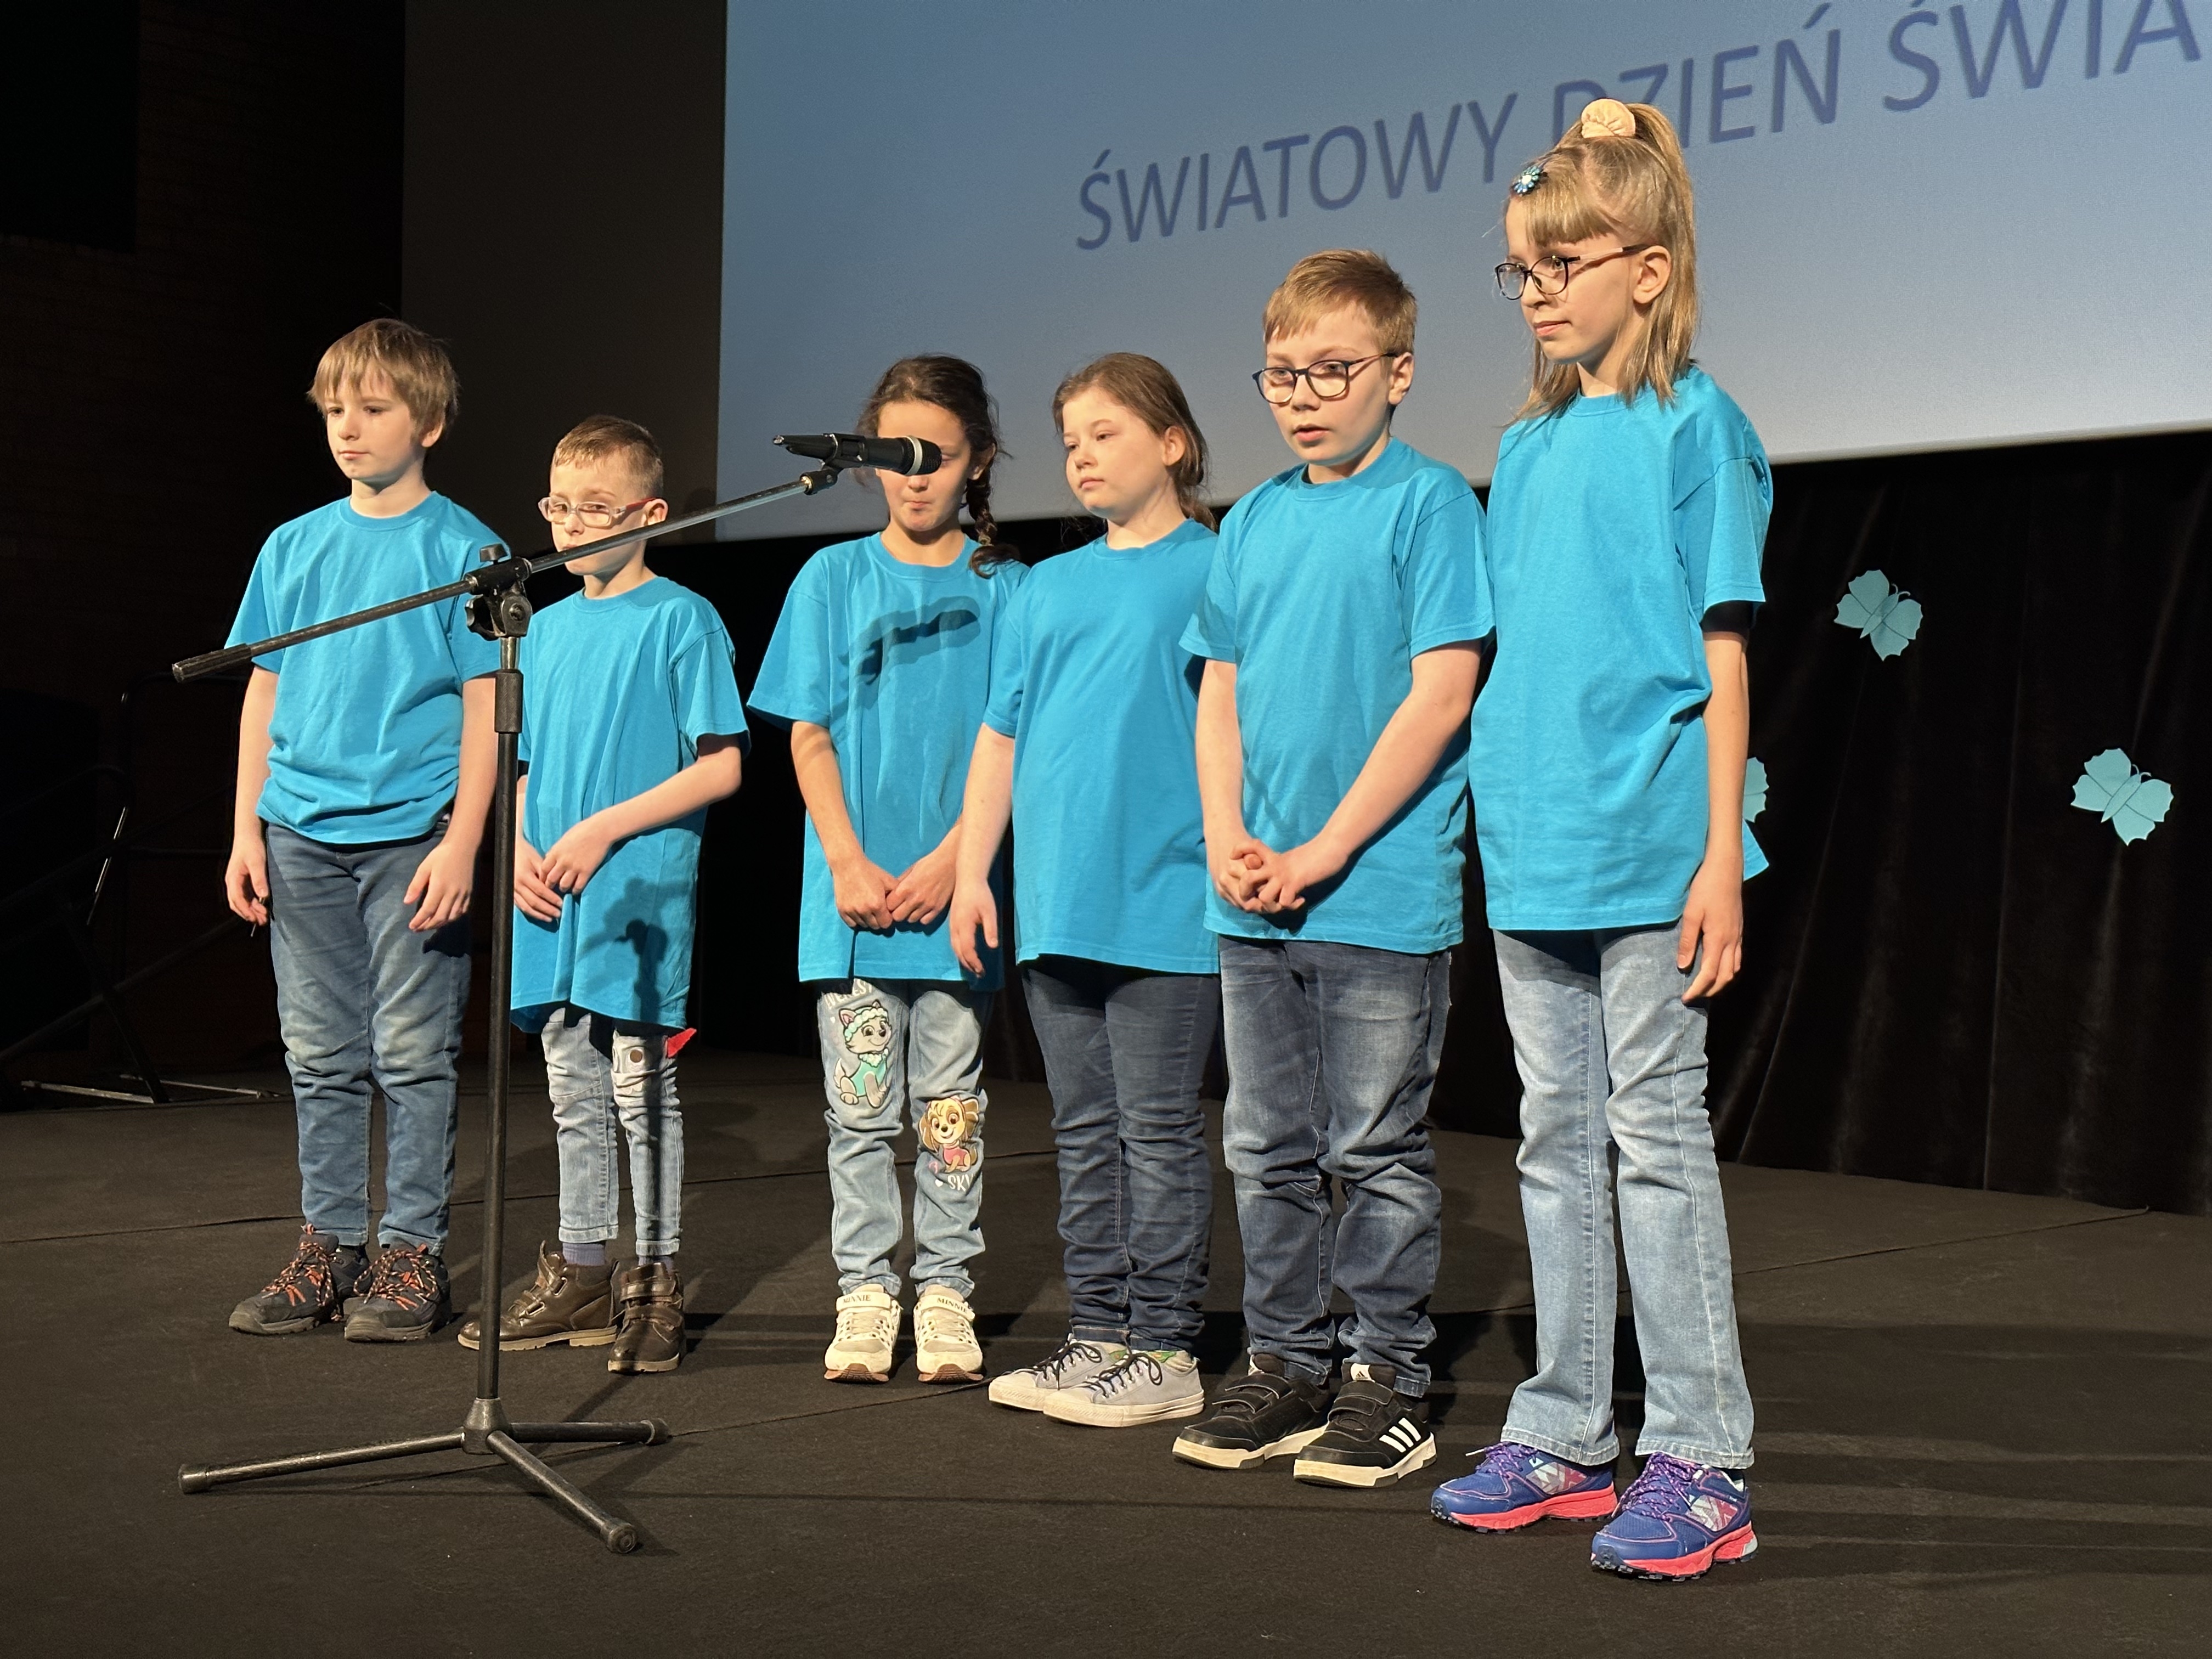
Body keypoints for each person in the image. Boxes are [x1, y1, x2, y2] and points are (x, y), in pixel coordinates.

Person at [1429, 99, 1766, 1582]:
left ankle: (1701, 1453)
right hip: (1537, 839)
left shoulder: (1701, 428)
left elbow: (1724, 651)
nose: (1539, 290)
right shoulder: (1529, 440)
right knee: (1556, 1141)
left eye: (1566, 262)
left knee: (1656, 1141)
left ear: (1649, 267)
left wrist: (1719, 857)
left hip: (1648, 840)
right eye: (1523, 268)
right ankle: (1566, 1427)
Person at [1171, 251, 1492, 1487]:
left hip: (1377, 890)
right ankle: (1287, 1361)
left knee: (1372, 1146)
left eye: (1333, 371)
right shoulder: (1253, 517)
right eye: (1281, 374)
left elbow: (1442, 691)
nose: (1303, 397)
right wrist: (1227, 834)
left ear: (1398, 374)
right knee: (1264, 1145)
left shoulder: (1430, 504)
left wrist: (1325, 847)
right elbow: (1221, 690)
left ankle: (1386, 1376)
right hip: (1254, 894)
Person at [949, 354, 1220, 1429]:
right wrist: (973, 872)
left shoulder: (1215, 567)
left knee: (1157, 1130)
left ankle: (1166, 1349)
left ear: (1173, 443)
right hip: (1059, 899)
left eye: (1106, 433)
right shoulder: (1044, 586)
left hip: (1166, 894)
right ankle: (1100, 1334)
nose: (1083, 456)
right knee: (1083, 1130)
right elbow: (1001, 735)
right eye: (1071, 441)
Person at [749, 356, 1026, 1386]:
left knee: (951, 1106)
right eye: (896, 456)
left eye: (936, 456)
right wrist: (847, 860)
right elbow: (808, 732)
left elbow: (1015, 742)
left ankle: (945, 1288)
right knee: (861, 1112)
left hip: (957, 903)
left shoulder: (1008, 590)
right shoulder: (831, 580)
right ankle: (866, 1291)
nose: (916, 477)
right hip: (856, 902)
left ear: (977, 460)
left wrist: (956, 862)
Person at [222, 319, 498, 1341]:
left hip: (413, 835)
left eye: (373, 408)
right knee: (318, 1051)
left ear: (429, 422)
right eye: (335, 409)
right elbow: (264, 688)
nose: (348, 427)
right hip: (299, 830)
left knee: (414, 1052)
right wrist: (246, 830)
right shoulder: (293, 545)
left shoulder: (466, 550)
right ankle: (330, 1246)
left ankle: (412, 1251)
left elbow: (486, 704)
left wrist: (463, 841)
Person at [453, 416, 747, 1374]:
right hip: (550, 891)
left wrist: (602, 829)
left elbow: (721, 766)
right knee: (571, 1087)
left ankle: (652, 1278)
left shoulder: (682, 618)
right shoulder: (540, 628)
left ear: (650, 515)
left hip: (634, 889)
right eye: (559, 507)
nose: (572, 526)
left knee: (638, 1085)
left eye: (595, 508)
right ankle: (583, 1270)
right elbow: (524, 765)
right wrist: (519, 847)